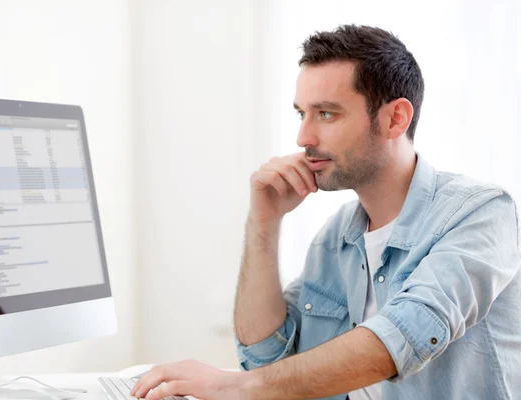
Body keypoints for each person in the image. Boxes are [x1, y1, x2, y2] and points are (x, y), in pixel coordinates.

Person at [130, 24, 521, 400]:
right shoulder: (338, 237)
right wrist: (263, 225)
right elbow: (265, 357)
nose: (304, 138)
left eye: (327, 114)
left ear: (395, 118)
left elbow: (401, 338)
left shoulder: (481, 213)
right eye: (302, 114)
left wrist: (229, 388)